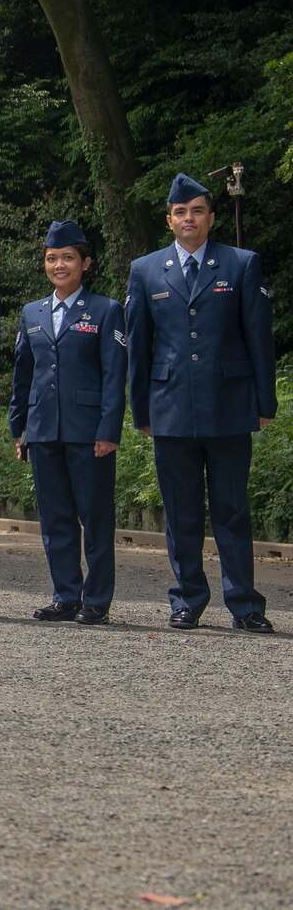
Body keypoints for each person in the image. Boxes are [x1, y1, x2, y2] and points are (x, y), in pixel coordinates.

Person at [126, 174, 277, 634]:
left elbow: (258, 338)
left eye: (197, 210)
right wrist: (141, 410)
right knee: (181, 511)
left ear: (211, 217)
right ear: (168, 220)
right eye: (180, 212)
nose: (188, 218)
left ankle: (245, 604)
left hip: (230, 405)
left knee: (232, 509)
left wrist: (264, 400)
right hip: (170, 407)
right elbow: (139, 345)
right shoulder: (146, 269)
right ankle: (187, 599)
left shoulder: (240, 264)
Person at [10, 219, 124, 626]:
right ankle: (65, 595)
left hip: (87, 431)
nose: (59, 265)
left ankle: (96, 600)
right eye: (52, 258)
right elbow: (24, 375)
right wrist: (19, 428)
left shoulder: (106, 310)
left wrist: (109, 430)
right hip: (43, 430)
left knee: (95, 518)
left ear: (85, 263)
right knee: (55, 518)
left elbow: (114, 376)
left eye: (68, 258)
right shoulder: (32, 312)